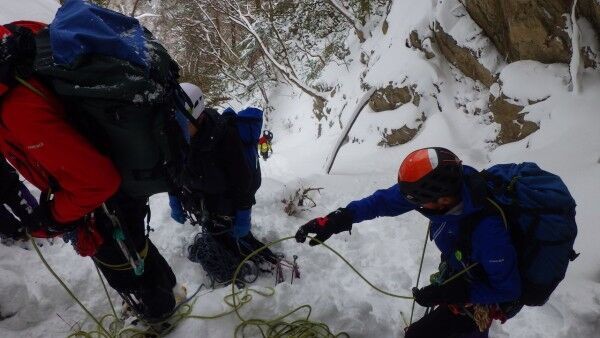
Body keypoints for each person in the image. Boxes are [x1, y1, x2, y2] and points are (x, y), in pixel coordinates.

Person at [0, 22, 178, 328]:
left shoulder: (16, 109)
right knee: (135, 244)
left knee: (120, 261)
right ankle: (169, 291)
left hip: (103, 196)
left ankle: (159, 317)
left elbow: (97, 182)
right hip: (114, 167)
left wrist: (56, 215)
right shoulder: (18, 48)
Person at [295, 147, 522, 338]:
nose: (417, 207)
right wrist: (339, 218)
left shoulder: (489, 233)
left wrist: (454, 292)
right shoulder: (450, 187)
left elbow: (508, 289)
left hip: (480, 293)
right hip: (461, 272)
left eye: (421, 203)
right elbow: (383, 201)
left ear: (442, 199)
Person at [171, 83, 277, 269]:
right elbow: (174, 169)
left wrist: (243, 214)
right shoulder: (179, 138)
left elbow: (243, 180)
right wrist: (174, 197)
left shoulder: (224, 137)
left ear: (199, 117)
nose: (179, 129)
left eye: (183, 124)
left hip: (225, 205)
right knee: (217, 237)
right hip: (203, 202)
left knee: (231, 247)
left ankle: (255, 260)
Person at [0, 154, 38, 243]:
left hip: (8, 181)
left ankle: (39, 231)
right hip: (8, 181)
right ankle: (16, 235)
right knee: (10, 229)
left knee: (36, 220)